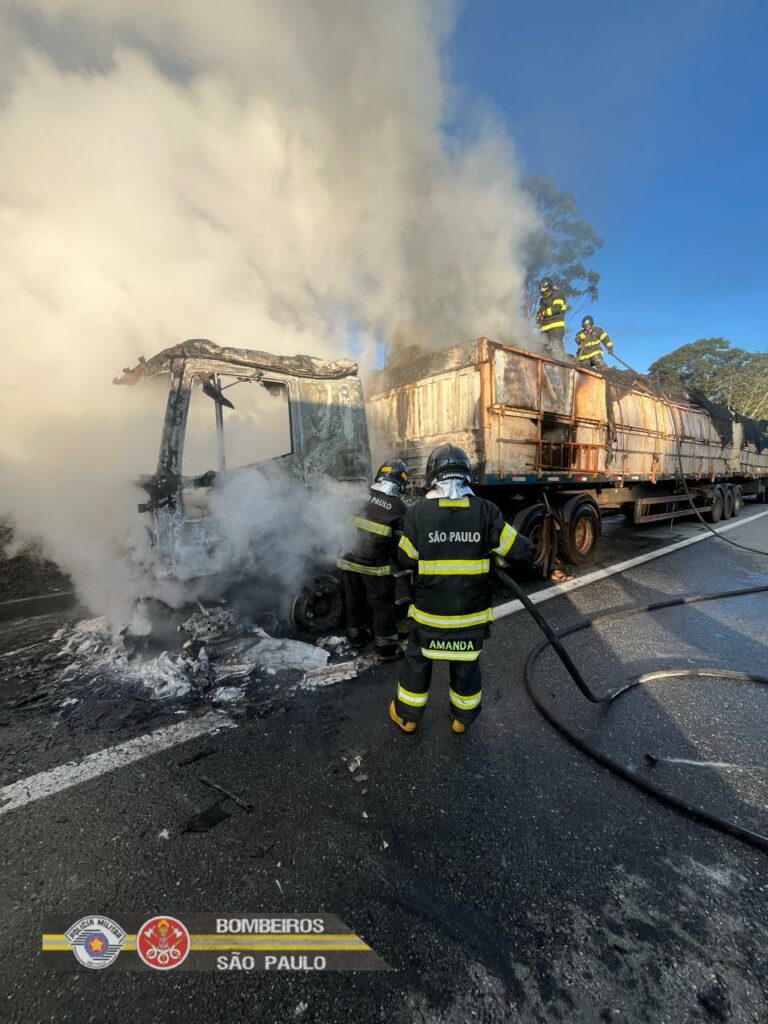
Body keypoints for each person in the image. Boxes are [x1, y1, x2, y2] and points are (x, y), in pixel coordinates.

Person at [389, 444, 531, 735]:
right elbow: (521, 550)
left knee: (417, 662)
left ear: (432, 474)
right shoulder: (486, 511)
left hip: (429, 618)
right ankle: (461, 720)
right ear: (466, 473)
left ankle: (408, 717)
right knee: (466, 667)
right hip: (470, 619)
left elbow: (405, 558)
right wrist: (495, 556)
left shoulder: (418, 514)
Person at [337, 460, 410, 662]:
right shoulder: (398, 507)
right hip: (375, 568)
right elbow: (400, 545)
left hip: (347, 560)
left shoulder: (359, 495)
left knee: (353, 601)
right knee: (382, 607)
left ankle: (356, 638)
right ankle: (386, 650)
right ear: (401, 483)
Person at [536, 277, 568, 357]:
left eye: (545, 292)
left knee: (556, 350)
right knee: (543, 351)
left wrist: (544, 313)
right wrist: (538, 319)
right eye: (542, 293)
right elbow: (539, 312)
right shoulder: (542, 300)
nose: (544, 294)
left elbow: (557, 308)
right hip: (544, 329)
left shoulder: (558, 294)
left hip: (556, 328)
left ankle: (562, 366)